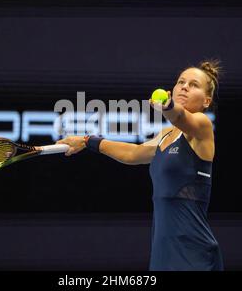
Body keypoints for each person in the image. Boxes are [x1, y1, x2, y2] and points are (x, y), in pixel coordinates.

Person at [58, 60, 224, 270]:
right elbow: (132, 153)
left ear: (206, 101)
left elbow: (180, 117)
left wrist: (168, 107)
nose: (184, 86)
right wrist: (86, 141)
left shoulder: (202, 126)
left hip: (194, 253)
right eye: (181, 82)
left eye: (194, 85)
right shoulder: (165, 136)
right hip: (163, 253)